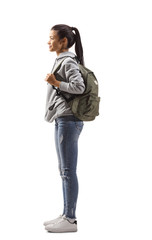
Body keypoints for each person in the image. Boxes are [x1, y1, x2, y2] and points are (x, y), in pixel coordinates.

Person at [43, 24, 85, 233]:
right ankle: (66, 214)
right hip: (63, 119)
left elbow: (79, 87)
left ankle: (70, 219)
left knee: (68, 170)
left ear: (64, 42)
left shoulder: (67, 61)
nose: (48, 41)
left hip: (69, 120)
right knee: (64, 170)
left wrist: (57, 83)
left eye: (52, 38)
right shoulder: (62, 60)